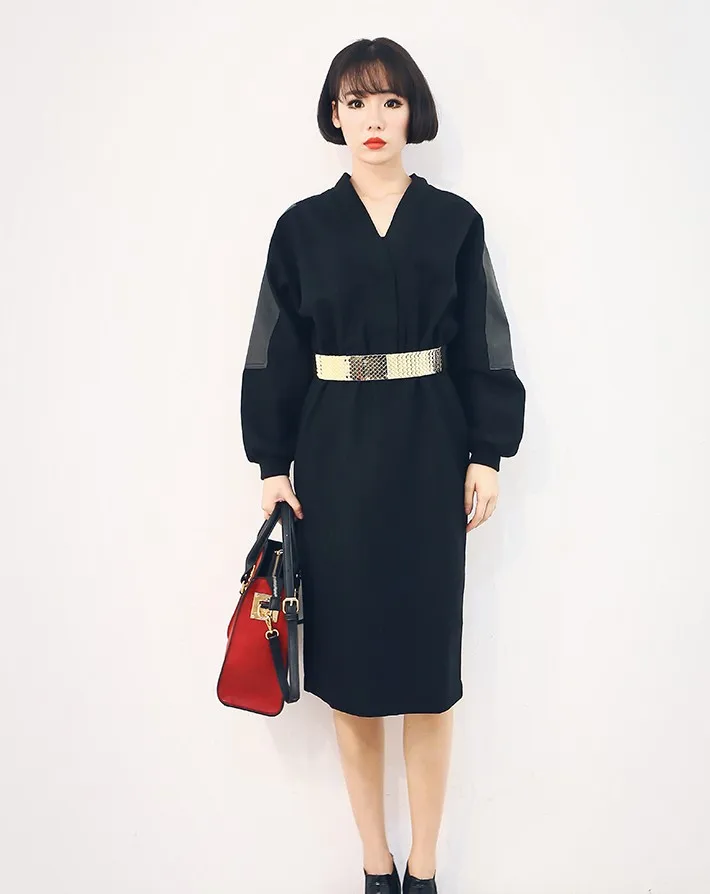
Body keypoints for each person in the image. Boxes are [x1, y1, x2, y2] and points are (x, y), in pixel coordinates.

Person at [240, 36, 526, 894]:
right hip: (335, 461)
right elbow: (273, 351)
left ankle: (425, 868)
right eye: (357, 101)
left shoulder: (455, 222)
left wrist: (487, 453)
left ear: (413, 113)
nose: (374, 118)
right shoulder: (300, 228)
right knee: (354, 678)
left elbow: (483, 344)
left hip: (431, 455)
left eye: (391, 101)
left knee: (430, 679)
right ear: (334, 113)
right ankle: (374, 864)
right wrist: (272, 461)